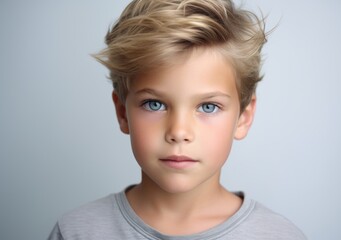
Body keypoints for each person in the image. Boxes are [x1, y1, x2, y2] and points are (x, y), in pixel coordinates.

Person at [48, 0, 307, 239]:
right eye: (155, 104)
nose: (179, 132)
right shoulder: (75, 232)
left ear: (243, 117)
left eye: (208, 106)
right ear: (122, 112)